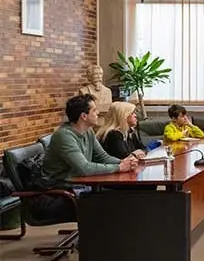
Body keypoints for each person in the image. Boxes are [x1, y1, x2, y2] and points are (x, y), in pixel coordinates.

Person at [37, 94, 137, 222]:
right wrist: (119, 167)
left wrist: (124, 162)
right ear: (84, 116)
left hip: (80, 186)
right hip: (61, 191)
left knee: (134, 192)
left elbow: (103, 157)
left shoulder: (88, 131)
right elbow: (84, 168)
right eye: (94, 110)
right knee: (121, 199)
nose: (98, 113)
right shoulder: (64, 136)